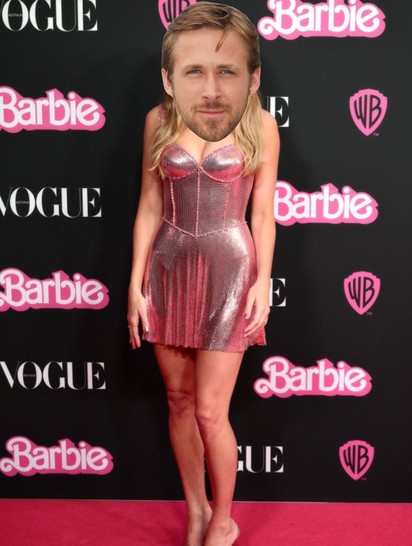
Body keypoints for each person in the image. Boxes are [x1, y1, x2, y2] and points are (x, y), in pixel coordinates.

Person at [127, 3, 280, 545]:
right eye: (195, 69)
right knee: (179, 400)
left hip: (230, 270)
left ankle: (223, 520)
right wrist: (135, 285)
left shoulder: (260, 123)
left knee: (212, 412)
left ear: (250, 76)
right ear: (171, 77)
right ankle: (196, 512)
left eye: (226, 69)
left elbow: (264, 213)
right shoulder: (159, 120)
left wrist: (263, 281)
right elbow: (150, 204)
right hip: (168, 266)